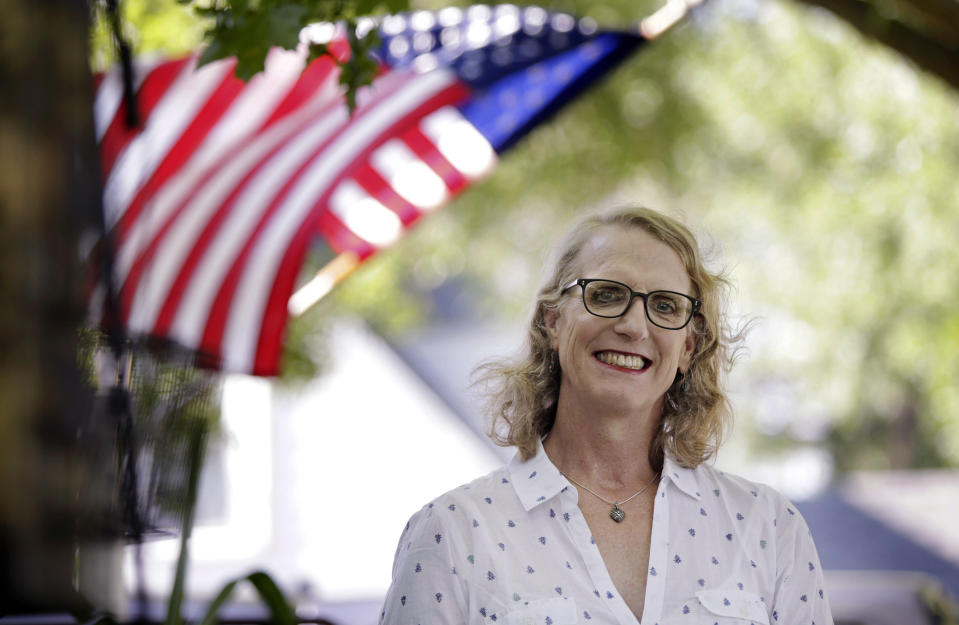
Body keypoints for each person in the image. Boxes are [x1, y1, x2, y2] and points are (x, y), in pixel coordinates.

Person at [380, 207, 833, 625]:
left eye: (665, 306)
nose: (634, 326)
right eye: (607, 294)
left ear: (688, 349)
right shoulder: (454, 534)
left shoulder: (768, 529)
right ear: (553, 322)